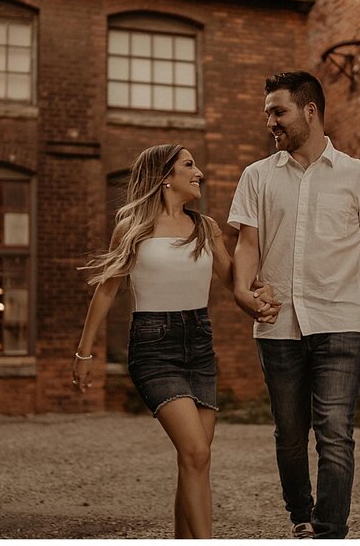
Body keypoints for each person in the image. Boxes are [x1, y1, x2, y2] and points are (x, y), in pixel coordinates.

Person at [228, 70, 360, 539]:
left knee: (335, 430)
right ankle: (301, 513)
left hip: (341, 319)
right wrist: (242, 292)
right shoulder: (256, 176)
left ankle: (330, 530)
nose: (270, 122)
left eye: (279, 111)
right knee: (290, 435)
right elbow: (248, 244)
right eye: (267, 113)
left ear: (309, 111)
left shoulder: (359, 176)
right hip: (278, 325)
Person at [73, 143, 280, 539]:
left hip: (199, 345)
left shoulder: (205, 228)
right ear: (165, 177)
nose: (198, 172)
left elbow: (232, 281)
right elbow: (106, 290)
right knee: (196, 452)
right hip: (153, 347)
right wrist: (84, 351)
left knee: (195, 459)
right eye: (189, 165)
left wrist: (258, 295)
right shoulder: (133, 227)